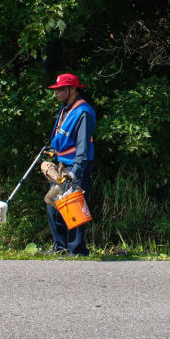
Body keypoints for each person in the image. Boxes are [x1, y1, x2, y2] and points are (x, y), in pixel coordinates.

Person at [46, 73, 96, 256]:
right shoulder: (65, 108)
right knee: (53, 205)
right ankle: (60, 247)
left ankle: (77, 251)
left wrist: (75, 172)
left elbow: (83, 146)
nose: (57, 92)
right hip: (61, 166)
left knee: (73, 207)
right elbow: (61, 136)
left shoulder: (83, 112)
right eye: (56, 89)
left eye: (60, 89)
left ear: (73, 89)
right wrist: (51, 149)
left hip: (77, 167)